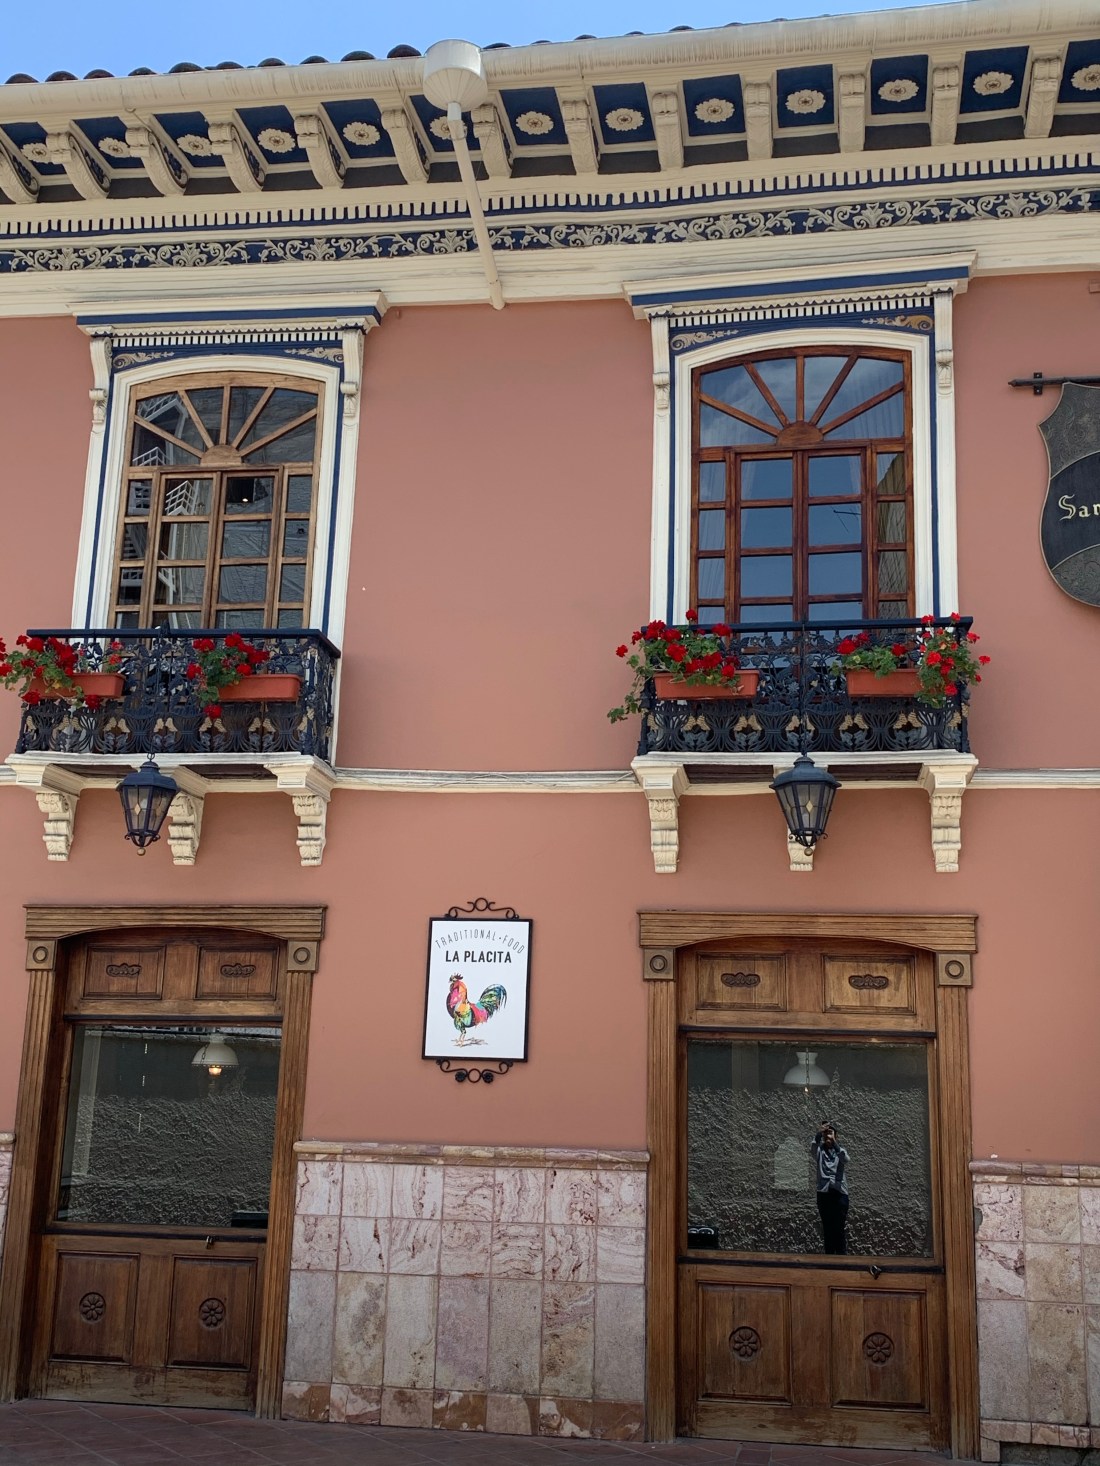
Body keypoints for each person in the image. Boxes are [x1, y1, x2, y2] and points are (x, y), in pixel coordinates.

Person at [810, 1122, 850, 1254]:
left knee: (839, 1229)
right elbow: (813, 1147)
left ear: (836, 1136)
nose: (828, 1136)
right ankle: (829, 1259)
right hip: (824, 1194)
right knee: (827, 1229)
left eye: (830, 1133)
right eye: (826, 1134)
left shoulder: (840, 1150)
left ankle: (842, 1259)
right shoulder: (820, 1151)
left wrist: (834, 1143)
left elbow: (845, 1159)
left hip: (840, 1194)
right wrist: (819, 1133)